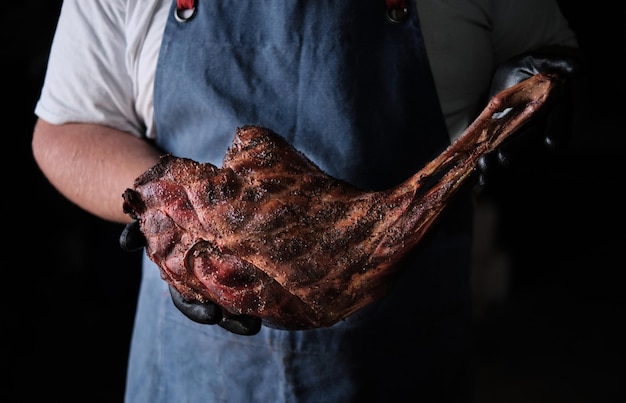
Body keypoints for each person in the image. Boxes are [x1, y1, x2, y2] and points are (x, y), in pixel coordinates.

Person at [31, 0, 580, 401]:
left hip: (405, 360)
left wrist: (538, 78)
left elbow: (551, 49)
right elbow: (64, 128)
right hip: (191, 372)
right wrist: (164, 204)